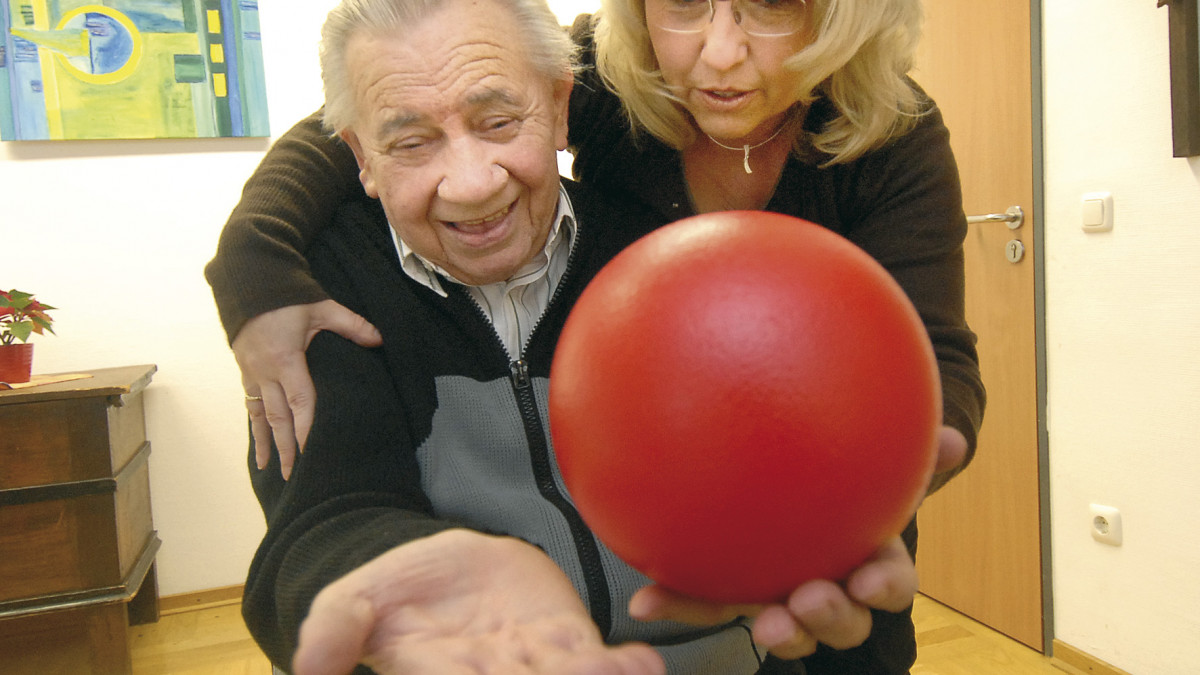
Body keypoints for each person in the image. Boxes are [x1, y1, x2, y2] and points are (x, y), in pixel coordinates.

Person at [209, 0, 987, 672]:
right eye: (412, 144)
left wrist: (849, 501)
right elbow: (317, 528)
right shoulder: (339, 286)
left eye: (499, 121)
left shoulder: (663, 264)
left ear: (555, 107)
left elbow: (931, 360)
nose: (473, 181)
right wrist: (255, 265)